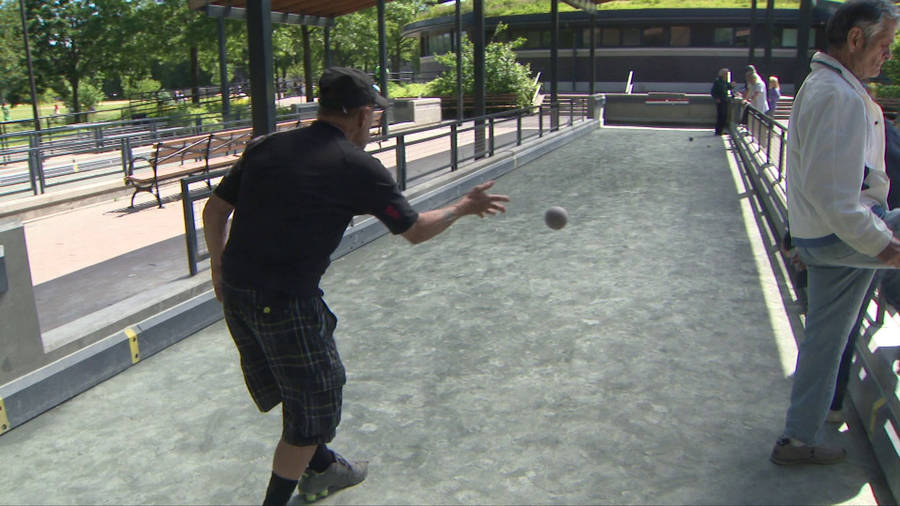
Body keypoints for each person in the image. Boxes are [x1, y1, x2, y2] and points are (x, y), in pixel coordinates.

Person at [201, 67, 510, 505]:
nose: (375, 125)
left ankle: (323, 466)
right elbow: (416, 230)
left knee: (298, 387)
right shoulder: (357, 166)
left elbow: (214, 212)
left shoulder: (266, 147)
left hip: (238, 293)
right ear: (364, 115)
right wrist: (464, 205)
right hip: (284, 301)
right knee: (315, 405)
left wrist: (218, 269)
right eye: (375, 117)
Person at [772, 0, 900, 466]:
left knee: (825, 342)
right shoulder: (838, 96)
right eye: (884, 45)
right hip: (839, 239)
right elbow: (837, 200)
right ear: (855, 40)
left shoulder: (823, 87)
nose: (887, 55)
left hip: (823, 240)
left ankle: (796, 440)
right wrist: (885, 247)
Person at [710, 68, 733, 135]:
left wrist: (732, 85)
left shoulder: (724, 81)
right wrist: (716, 98)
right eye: (726, 74)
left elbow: (727, 87)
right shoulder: (718, 81)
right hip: (720, 101)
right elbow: (713, 92)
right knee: (721, 115)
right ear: (723, 74)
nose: (727, 75)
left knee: (724, 116)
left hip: (725, 100)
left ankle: (721, 130)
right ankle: (718, 131)